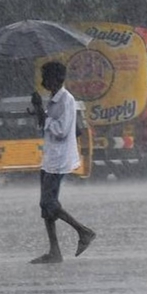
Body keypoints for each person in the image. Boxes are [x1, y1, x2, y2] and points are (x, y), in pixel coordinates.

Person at [29, 61, 96, 264]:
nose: (42, 81)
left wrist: (43, 114)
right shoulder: (52, 99)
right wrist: (39, 110)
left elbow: (62, 131)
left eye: (46, 77)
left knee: (48, 202)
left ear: (57, 79)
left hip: (59, 159)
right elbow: (47, 127)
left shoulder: (67, 100)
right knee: (45, 208)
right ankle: (54, 251)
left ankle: (83, 231)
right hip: (49, 157)